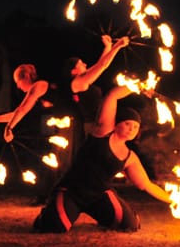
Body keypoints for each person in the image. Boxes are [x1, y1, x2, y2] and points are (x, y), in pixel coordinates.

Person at [32, 85, 172, 233]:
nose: (131, 129)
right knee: (55, 227)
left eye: (136, 127)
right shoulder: (102, 131)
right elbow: (111, 96)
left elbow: (146, 185)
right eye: (127, 124)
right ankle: (47, 215)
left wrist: (174, 200)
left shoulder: (130, 157)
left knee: (130, 225)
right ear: (116, 124)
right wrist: (137, 85)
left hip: (99, 196)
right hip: (71, 192)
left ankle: (102, 215)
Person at [0, 64, 72, 203]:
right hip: (53, 130)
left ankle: (60, 197)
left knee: (62, 163)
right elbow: (19, 113)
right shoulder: (36, 93)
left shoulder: (39, 85)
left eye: (18, 82)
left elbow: (22, 109)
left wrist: (9, 128)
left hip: (66, 128)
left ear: (26, 76)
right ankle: (48, 196)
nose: (18, 87)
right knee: (49, 161)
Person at [60, 34, 130, 140]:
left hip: (99, 125)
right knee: (113, 95)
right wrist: (118, 45)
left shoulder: (82, 81)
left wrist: (108, 46)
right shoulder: (77, 83)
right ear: (73, 71)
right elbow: (102, 65)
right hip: (95, 127)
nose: (85, 64)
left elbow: (100, 64)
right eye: (81, 64)